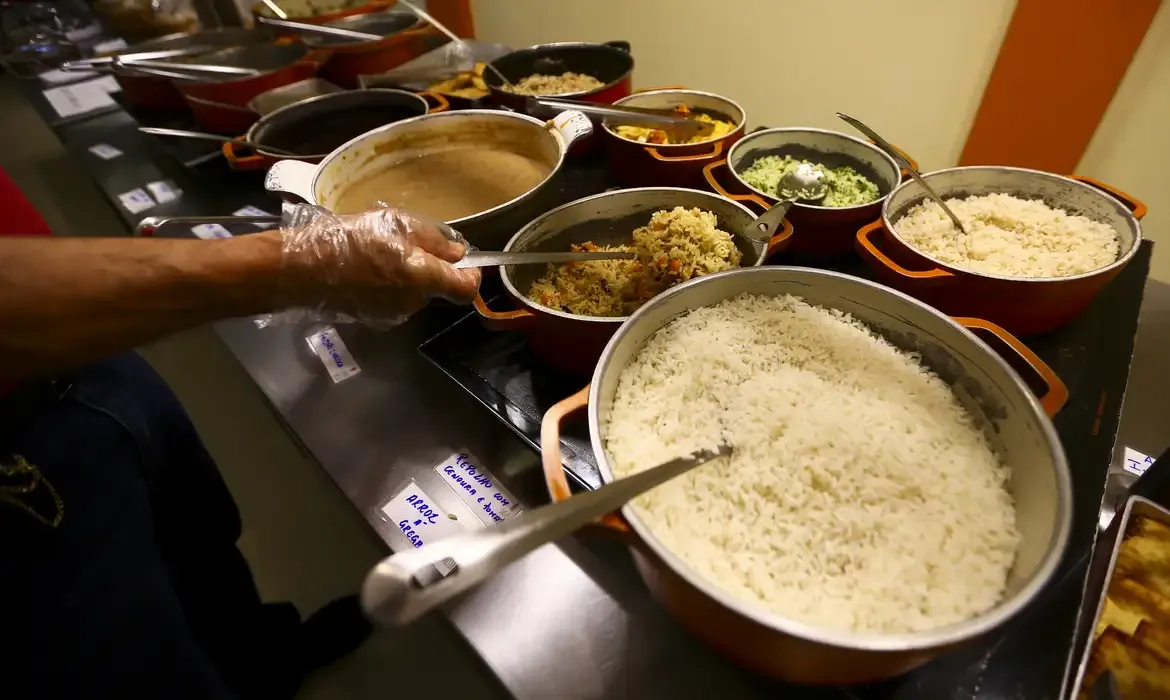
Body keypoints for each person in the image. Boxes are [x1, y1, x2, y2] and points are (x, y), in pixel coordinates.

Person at [0, 167, 481, 699]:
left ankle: (257, 663)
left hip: (87, 350)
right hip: (17, 464)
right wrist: (298, 263)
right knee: (118, 654)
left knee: (199, 544)